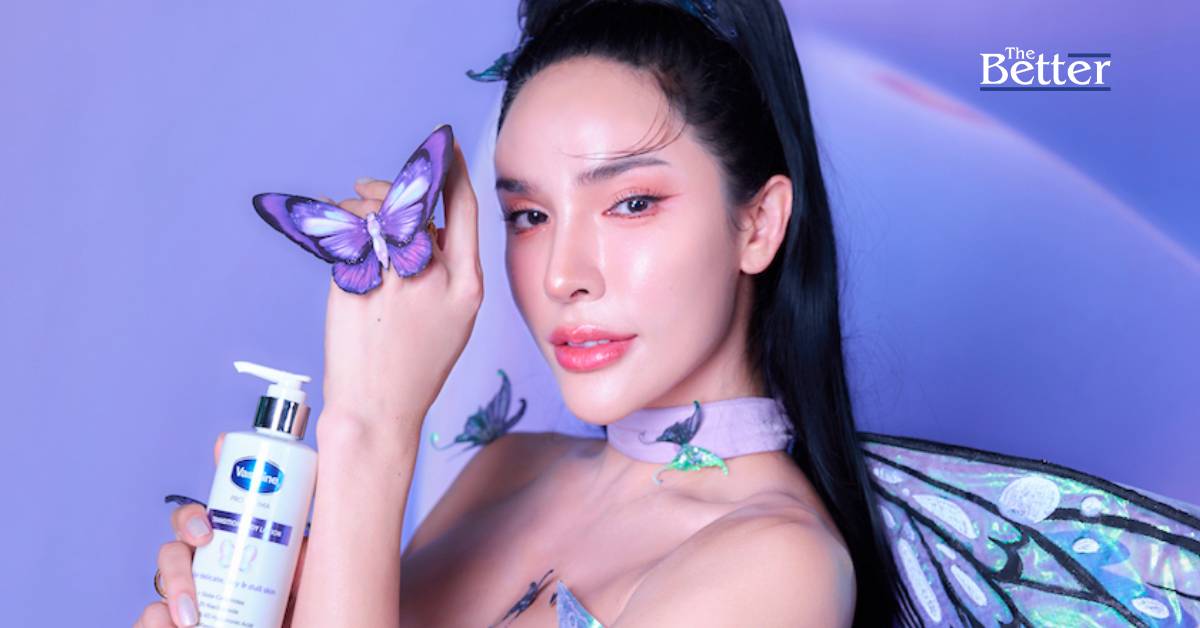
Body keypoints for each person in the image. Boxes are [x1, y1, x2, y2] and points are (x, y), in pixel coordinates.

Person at [135, 0, 916, 625]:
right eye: (529, 216)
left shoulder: (779, 567)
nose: (563, 276)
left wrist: (367, 433)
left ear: (758, 224)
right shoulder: (505, 468)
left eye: (632, 203)